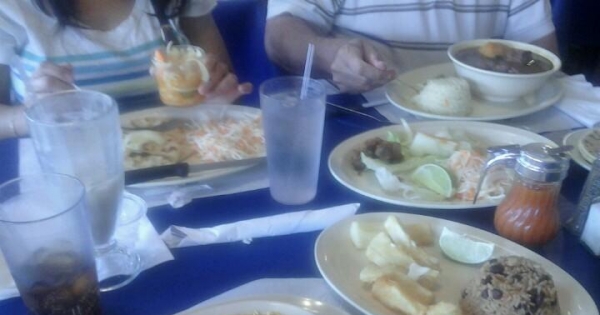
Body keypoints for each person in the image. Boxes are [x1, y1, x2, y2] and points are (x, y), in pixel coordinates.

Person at [0, 0, 253, 139]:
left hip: (183, 162)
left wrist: (216, 97)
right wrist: (29, 117)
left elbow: (221, 85)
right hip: (72, 176)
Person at [265, 0, 559, 94]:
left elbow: (543, 57)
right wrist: (334, 56)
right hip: (364, 119)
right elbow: (280, 35)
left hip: (492, 121)